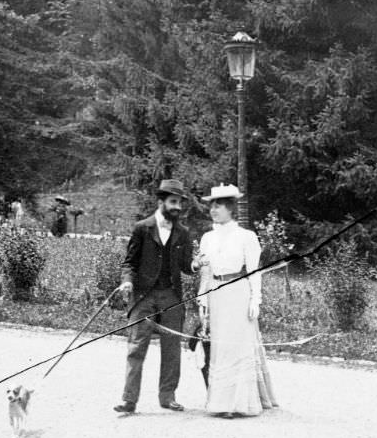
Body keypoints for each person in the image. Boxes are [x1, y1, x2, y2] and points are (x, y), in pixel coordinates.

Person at [196, 183, 277, 418]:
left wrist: (255, 300)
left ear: (231, 208)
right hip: (216, 294)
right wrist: (202, 300)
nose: (213, 210)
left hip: (238, 294)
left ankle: (239, 403)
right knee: (220, 348)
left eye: (219, 205)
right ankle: (220, 402)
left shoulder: (246, 237)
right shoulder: (207, 238)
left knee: (237, 348)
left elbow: (254, 271)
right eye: (212, 206)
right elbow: (205, 272)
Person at [114, 179, 195, 413]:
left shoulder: (183, 232)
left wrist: (196, 265)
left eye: (179, 203)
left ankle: (167, 396)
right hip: (143, 296)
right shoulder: (142, 228)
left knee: (172, 347)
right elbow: (129, 262)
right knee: (136, 347)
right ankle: (129, 400)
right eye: (172, 202)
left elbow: (186, 266)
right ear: (161, 201)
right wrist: (127, 282)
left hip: (171, 296)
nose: (177, 207)